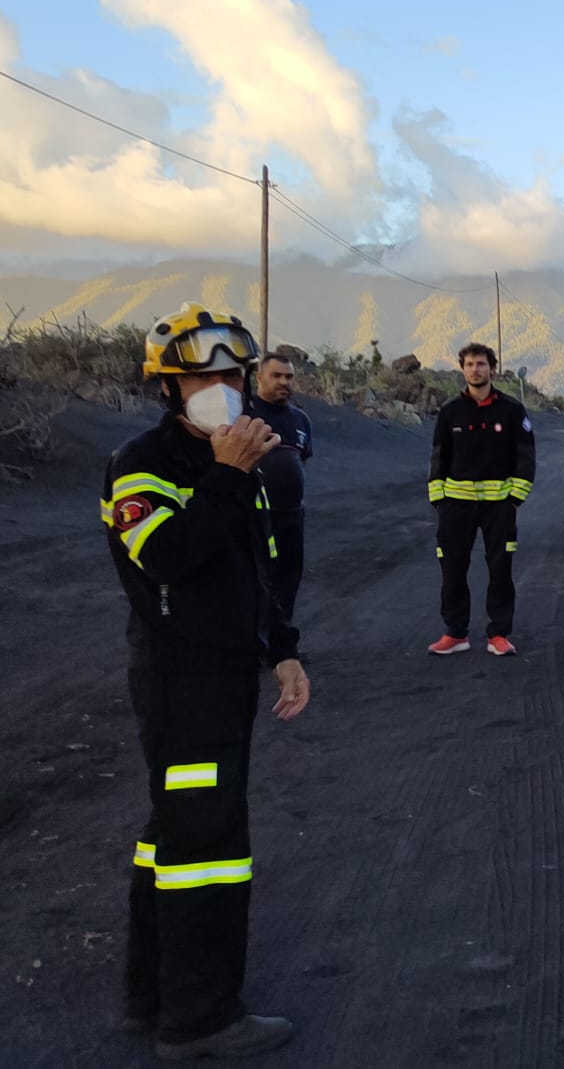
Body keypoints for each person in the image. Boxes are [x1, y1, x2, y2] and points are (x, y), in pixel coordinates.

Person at [104, 303, 311, 1060]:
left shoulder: (238, 457)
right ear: (168, 387)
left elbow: (254, 566)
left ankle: (150, 994)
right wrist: (227, 473)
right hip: (180, 679)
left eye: (231, 374)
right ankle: (199, 1019)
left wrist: (281, 647)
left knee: (173, 834)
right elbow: (169, 558)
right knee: (209, 846)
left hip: (228, 671)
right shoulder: (140, 464)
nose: (220, 387)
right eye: (202, 376)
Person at [427, 341, 535, 656]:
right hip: (455, 509)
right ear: (463, 370)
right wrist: (439, 500)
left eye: (481, 364)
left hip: (499, 509)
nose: (476, 369)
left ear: (493, 368)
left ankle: (498, 634)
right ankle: (455, 634)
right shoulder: (450, 412)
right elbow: (438, 457)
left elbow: (525, 457)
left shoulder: (512, 410)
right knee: (452, 570)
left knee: (500, 569)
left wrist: (514, 498)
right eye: (470, 364)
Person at [245, 352, 312, 628]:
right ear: (259, 377)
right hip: (254, 516)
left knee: (288, 578)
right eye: (276, 375)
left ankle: (281, 643)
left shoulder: (300, 419)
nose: (284, 382)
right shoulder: (244, 414)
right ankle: (252, 641)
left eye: (289, 377)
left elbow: (302, 459)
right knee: (256, 578)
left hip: (292, 516)